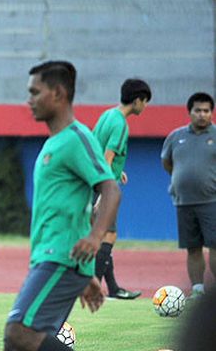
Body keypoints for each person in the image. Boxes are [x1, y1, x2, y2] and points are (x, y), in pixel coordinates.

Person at [6, 60, 125, 351]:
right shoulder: (53, 144)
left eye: (35, 92)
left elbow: (110, 189)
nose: (29, 100)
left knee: (19, 332)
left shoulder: (77, 137)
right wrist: (86, 274)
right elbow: (68, 206)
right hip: (55, 260)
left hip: (62, 258)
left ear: (58, 93)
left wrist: (94, 238)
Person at [91, 78, 151, 300]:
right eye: (145, 102)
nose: (145, 107)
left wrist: (118, 171)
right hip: (103, 185)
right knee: (109, 234)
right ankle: (94, 288)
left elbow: (95, 149)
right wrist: (105, 190)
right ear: (137, 101)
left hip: (96, 179)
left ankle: (113, 288)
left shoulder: (108, 115)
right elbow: (108, 157)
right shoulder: (121, 124)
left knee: (103, 234)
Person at [161, 92, 215, 300]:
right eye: (198, 110)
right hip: (184, 202)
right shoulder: (176, 137)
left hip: (212, 201)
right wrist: (180, 179)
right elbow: (167, 162)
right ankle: (198, 289)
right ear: (190, 112)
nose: (202, 115)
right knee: (192, 247)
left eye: (206, 111)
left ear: (211, 113)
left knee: (215, 246)